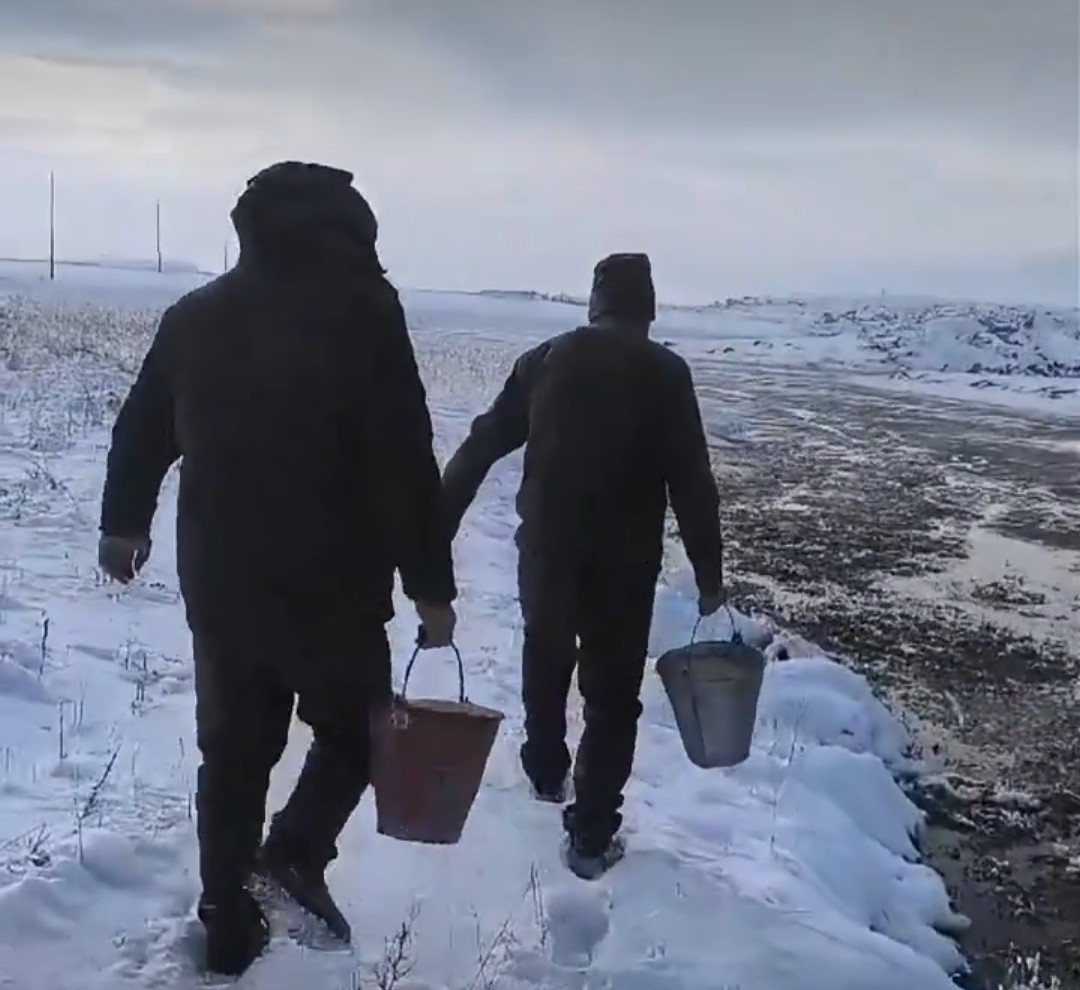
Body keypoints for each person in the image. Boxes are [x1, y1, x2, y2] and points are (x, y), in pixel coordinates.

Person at [97, 161, 457, 977]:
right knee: (363, 733)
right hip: (334, 584)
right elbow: (404, 454)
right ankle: (291, 853)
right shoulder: (366, 311)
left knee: (232, 753)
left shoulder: (197, 315)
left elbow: (142, 429)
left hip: (223, 585)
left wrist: (123, 525)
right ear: (347, 229)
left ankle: (227, 922)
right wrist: (430, 585)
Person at [441, 252, 725, 880]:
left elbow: (482, 443)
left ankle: (545, 769)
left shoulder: (548, 360)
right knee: (613, 695)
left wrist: (437, 530)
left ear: (596, 304)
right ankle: (592, 833)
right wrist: (709, 576)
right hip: (625, 562)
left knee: (546, 654)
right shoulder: (667, 373)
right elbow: (693, 482)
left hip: (549, 549)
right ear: (647, 310)